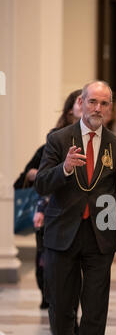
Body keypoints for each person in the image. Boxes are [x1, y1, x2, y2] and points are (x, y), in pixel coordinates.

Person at [35, 80, 116, 335]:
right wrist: (63, 169)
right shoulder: (59, 140)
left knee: (94, 312)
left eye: (104, 104)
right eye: (93, 102)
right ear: (81, 102)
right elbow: (41, 185)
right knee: (61, 309)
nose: (97, 109)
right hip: (62, 236)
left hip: (99, 239)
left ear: (110, 109)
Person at [14, 89, 82, 309]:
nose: (86, 106)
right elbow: (31, 175)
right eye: (80, 102)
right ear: (70, 108)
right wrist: (44, 174)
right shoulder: (55, 138)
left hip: (79, 211)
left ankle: (66, 307)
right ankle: (49, 297)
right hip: (51, 207)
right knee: (47, 258)